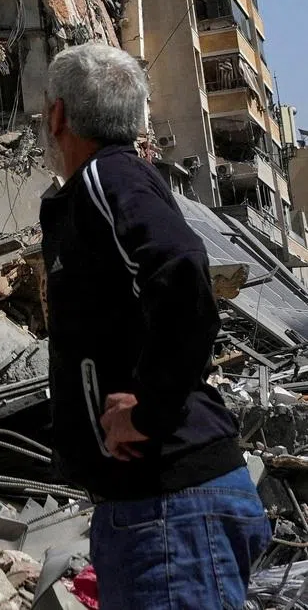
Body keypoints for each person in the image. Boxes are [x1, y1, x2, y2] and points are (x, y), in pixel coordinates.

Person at [40, 42, 269, 608]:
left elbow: (182, 274)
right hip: (152, 509)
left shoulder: (108, 179)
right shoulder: (106, 186)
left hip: (171, 507)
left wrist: (147, 409)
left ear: (58, 116)